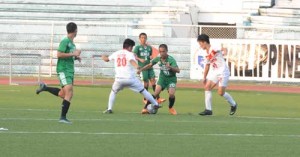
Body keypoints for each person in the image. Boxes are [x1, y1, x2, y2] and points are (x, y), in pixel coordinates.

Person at [36, 22, 81, 123]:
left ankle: (45, 88)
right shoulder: (65, 41)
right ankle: (62, 117)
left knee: (63, 94)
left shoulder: (72, 43)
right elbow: (59, 54)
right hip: (63, 69)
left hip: (69, 70)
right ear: (75, 31)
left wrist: (76, 57)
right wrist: (74, 53)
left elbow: (69, 55)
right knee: (69, 91)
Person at [102, 38, 160, 114]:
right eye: (132, 47)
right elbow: (132, 61)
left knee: (113, 92)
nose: (132, 49)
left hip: (119, 79)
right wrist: (137, 67)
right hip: (130, 79)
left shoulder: (117, 53)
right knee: (143, 91)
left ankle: (109, 109)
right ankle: (156, 104)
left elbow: (106, 59)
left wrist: (103, 56)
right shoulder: (130, 54)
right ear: (129, 47)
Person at [197, 34, 237, 116]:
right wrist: (204, 77)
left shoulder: (214, 48)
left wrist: (224, 51)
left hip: (223, 72)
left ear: (204, 42)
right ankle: (208, 110)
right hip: (215, 72)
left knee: (221, 93)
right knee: (207, 87)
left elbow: (223, 49)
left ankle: (233, 104)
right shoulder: (206, 53)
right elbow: (207, 65)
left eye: (200, 43)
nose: (200, 46)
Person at [138, 44, 180, 115]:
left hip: (171, 79)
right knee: (156, 93)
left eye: (163, 51)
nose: (162, 53)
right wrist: (141, 69)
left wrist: (170, 67)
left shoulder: (171, 59)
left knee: (171, 94)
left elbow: (178, 70)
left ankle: (170, 108)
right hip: (162, 78)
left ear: (167, 51)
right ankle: (145, 108)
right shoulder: (158, 58)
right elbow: (149, 65)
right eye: (160, 51)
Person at [133, 33, 165, 104]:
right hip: (143, 68)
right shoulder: (137, 47)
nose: (143, 39)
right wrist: (139, 59)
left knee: (153, 81)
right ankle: (145, 98)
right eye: (142, 38)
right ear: (139, 38)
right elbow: (134, 56)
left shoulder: (149, 47)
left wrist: (151, 57)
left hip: (149, 67)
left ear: (146, 38)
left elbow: (150, 56)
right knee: (146, 83)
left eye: (144, 38)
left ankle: (158, 98)